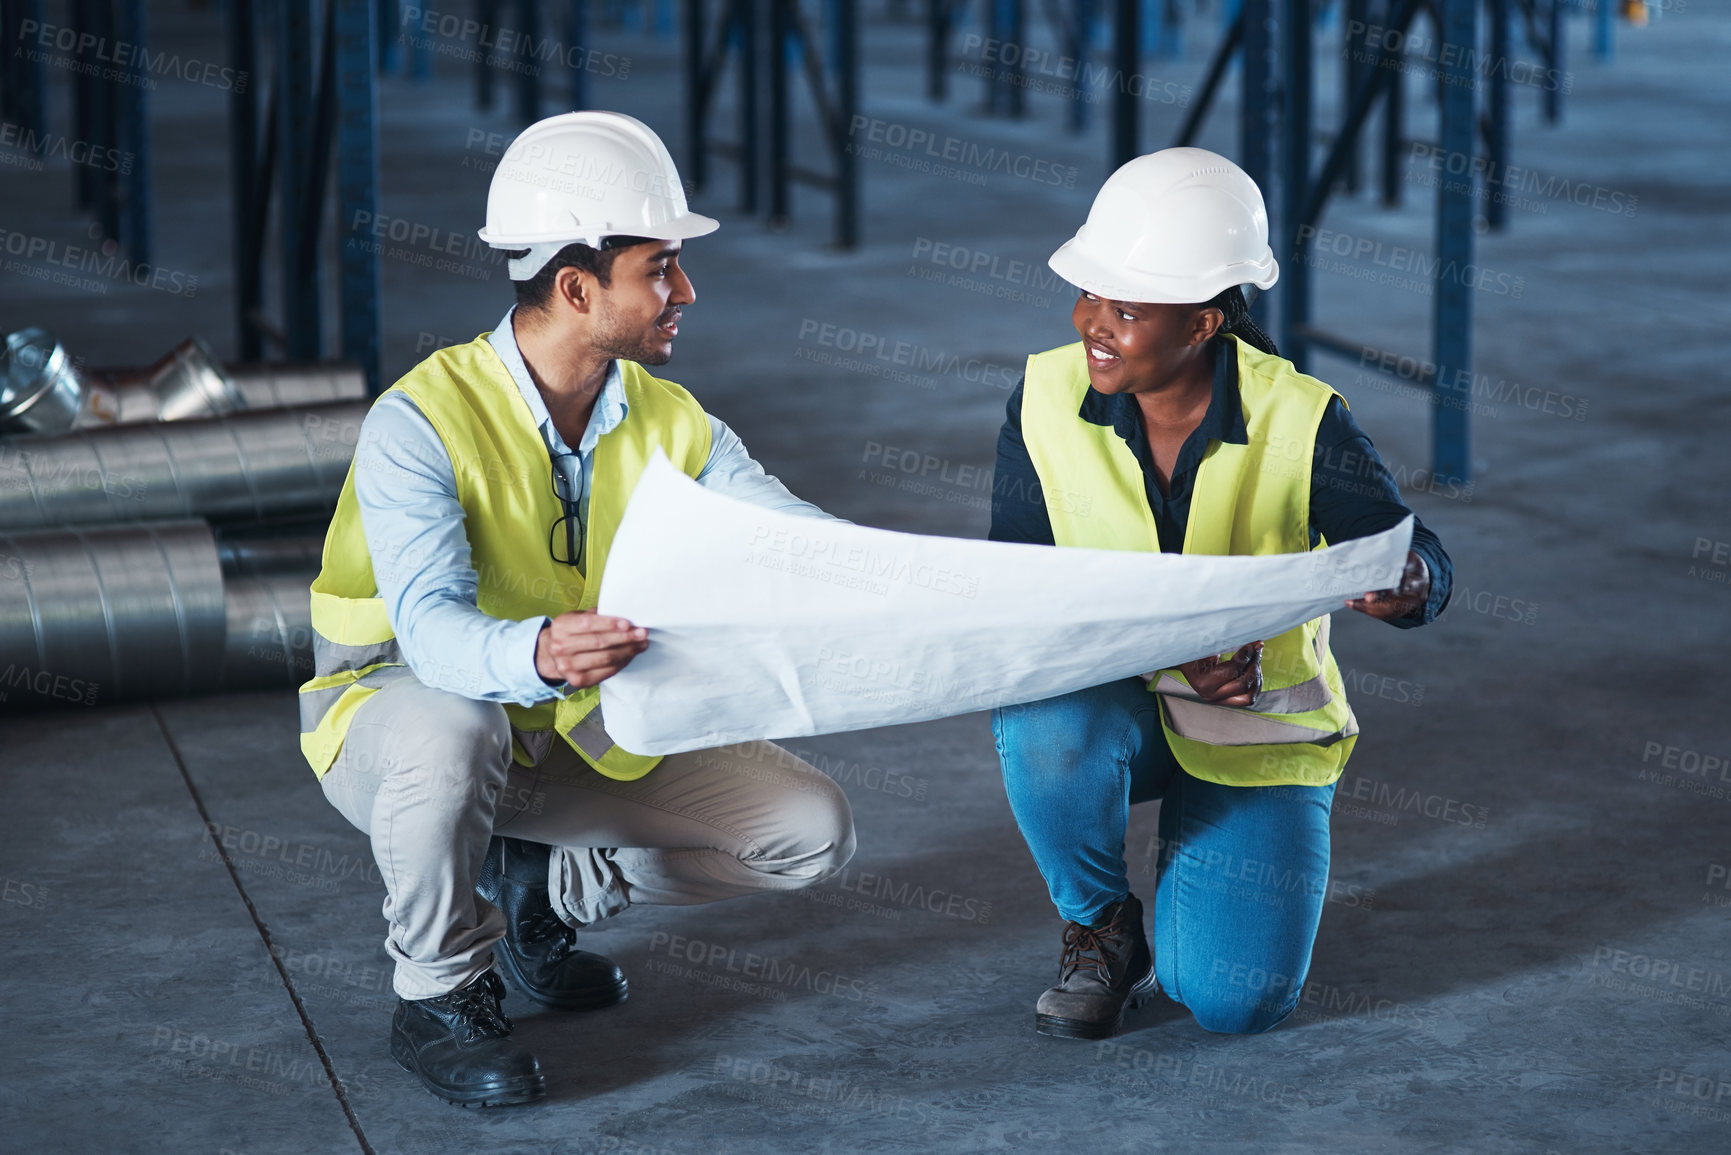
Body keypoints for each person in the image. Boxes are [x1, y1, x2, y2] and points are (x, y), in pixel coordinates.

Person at [299, 112, 855, 1107]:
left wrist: (914, 581)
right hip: (395, 726)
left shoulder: (670, 419)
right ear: (574, 286)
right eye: (662, 267)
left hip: (572, 732)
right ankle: (438, 995)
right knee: (454, 721)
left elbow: (789, 534)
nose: (684, 292)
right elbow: (426, 634)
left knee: (809, 831)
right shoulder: (419, 424)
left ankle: (548, 891)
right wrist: (546, 652)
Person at [988, 147, 1452, 1040]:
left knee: (1232, 1001)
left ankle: (1206, 845)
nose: (1093, 323)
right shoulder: (1045, 395)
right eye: (1090, 295)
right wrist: (1172, 657)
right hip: (1113, 709)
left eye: (1126, 309)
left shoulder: (1299, 415)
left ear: (1204, 324)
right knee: (1041, 717)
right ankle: (1101, 924)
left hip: (1253, 734)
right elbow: (1019, 586)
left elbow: (1413, 552)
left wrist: (1407, 582)